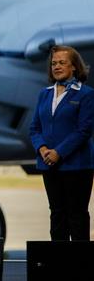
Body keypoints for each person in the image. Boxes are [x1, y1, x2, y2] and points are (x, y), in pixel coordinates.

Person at [29, 45, 94, 241]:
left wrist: (59, 152)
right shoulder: (44, 94)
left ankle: (82, 267)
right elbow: (34, 128)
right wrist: (42, 149)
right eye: (53, 63)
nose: (56, 66)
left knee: (77, 216)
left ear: (74, 66)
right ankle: (58, 267)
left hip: (77, 166)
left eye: (62, 63)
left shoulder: (86, 94)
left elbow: (84, 131)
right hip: (49, 164)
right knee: (57, 215)